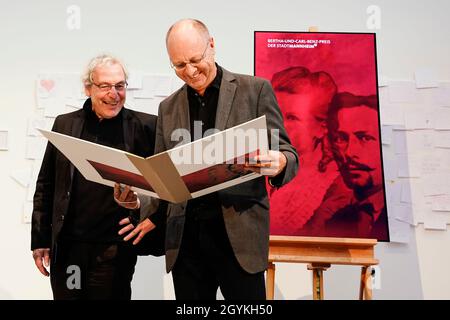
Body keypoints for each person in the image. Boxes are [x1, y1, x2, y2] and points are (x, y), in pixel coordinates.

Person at [116, 19, 298, 300]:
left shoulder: (255, 90)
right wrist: (141, 203)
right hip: (186, 243)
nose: (189, 71)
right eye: (179, 65)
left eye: (195, 60)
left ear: (211, 46)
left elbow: (288, 153)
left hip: (239, 240)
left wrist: (280, 163)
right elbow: (163, 176)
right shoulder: (167, 108)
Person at [31, 54, 161, 300]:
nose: (114, 94)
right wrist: (40, 239)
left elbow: (163, 184)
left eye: (120, 86)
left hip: (114, 251)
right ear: (88, 87)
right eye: (105, 86)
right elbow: (46, 184)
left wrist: (146, 215)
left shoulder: (146, 127)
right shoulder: (65, 125)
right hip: (68, 248)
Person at [301, 92, 388, 240]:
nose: (349, 152)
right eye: (340, 139)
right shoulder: (333, 215)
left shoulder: (401, 211)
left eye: (364, 138)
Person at [269, 66, 339, 235]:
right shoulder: (255, 166)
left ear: (322, 127)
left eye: (292, 118)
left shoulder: (335, 188)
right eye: (276, 115)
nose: (279, 126)